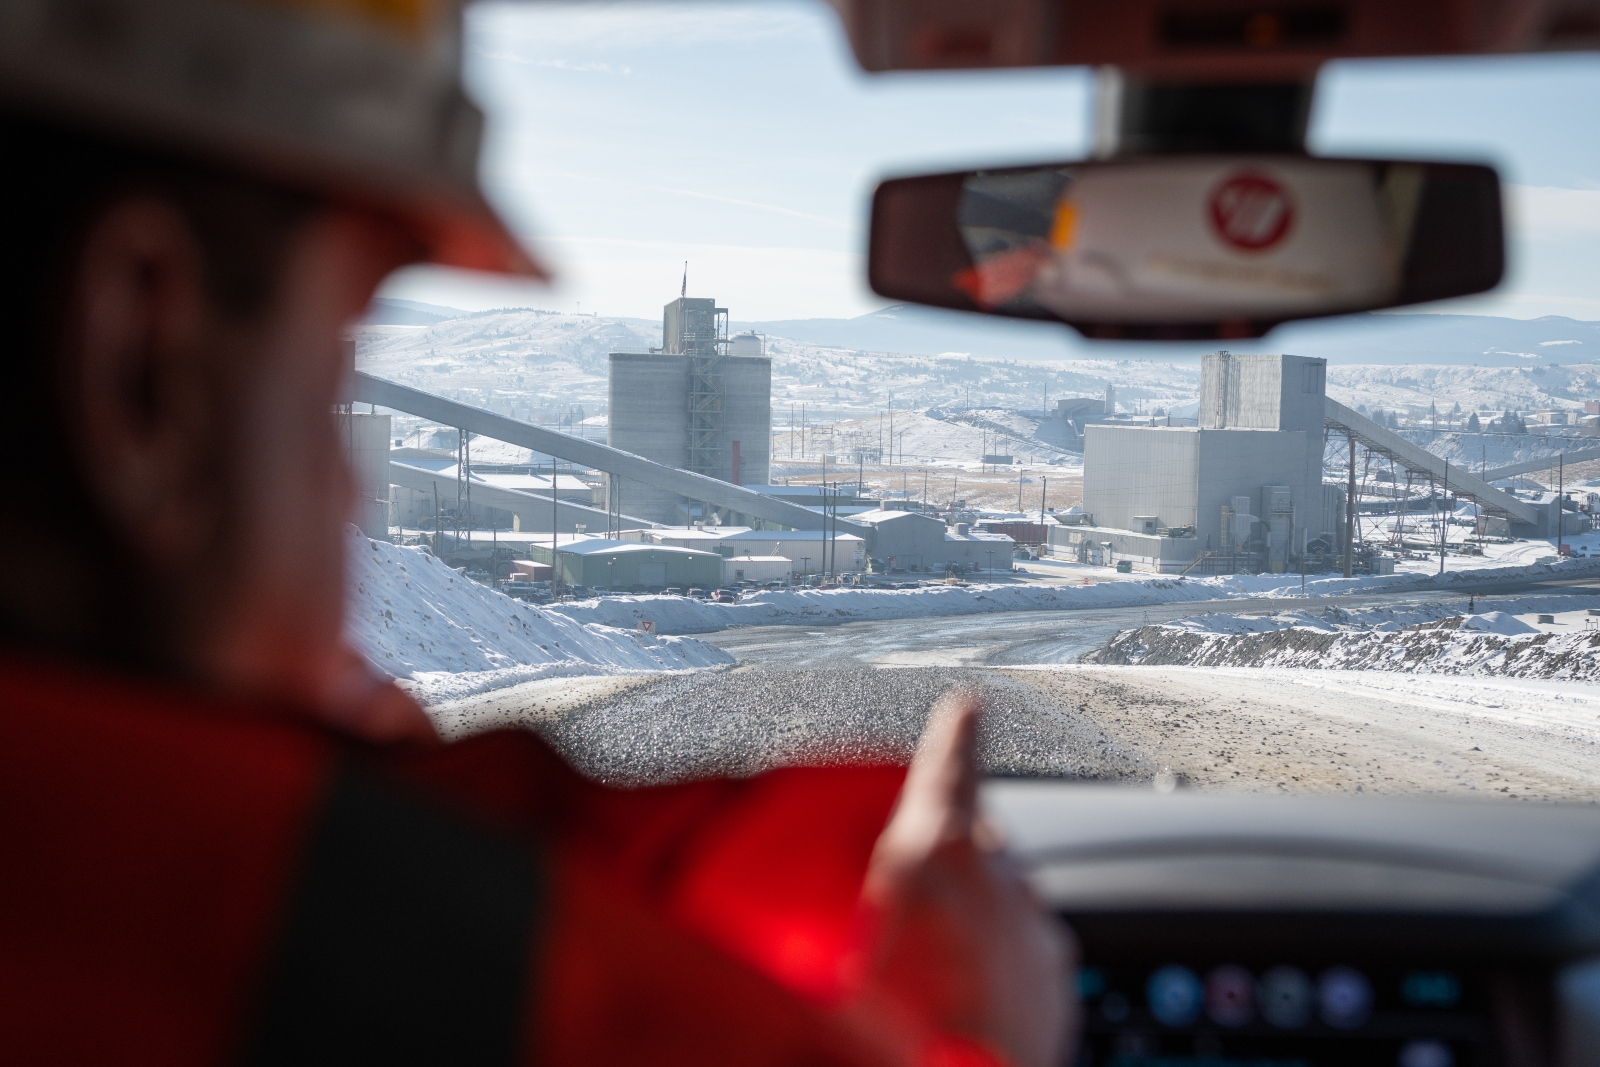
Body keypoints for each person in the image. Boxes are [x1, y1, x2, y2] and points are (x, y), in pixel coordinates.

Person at [0, 1, 1074, 1064]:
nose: (349, 496)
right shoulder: (379, 968)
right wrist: (962, 1029)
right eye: (337, 353)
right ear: (142, 371)